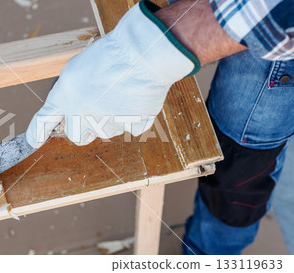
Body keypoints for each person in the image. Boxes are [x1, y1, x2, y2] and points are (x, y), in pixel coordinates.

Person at [25, 0, 294, 254]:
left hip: (276, 38)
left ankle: (207, 256)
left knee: (239, 172)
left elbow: (269, 12)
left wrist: (147, 57)